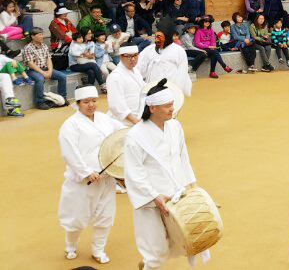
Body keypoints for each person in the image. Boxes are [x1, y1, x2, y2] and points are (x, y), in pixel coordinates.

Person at [124, 80, 206, 269]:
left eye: (172, 105)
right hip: (151, 201)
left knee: (177, 243)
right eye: (168, 105)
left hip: (176, 197)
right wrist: (154, 196)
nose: (172, 109)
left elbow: (183, 158)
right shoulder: (135, 137)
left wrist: (193, 186)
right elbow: (134, 174)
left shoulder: (175, 127)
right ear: (152, 108)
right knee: (155, 252)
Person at [57, 86, 126, 264]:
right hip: (82, 181)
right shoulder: (70, 125)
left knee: (105, 216)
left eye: (94, 101)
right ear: (78, 104)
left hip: (106, 178)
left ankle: (98, 250)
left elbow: (122, 133)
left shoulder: (104, 119)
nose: (91, 105)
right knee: (76, 216)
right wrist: (86, 172)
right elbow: (69, 152)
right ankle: (70, 246)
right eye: (86, 102)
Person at [137, 17, 193, 98]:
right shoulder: (148, 50)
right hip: (151, 88)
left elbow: (182, 73)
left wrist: (176, 91)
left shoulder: (179, 51)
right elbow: (140, 69)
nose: (157, 40)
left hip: (170, 89)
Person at [22, 27, 70, 109]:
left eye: (42, 34)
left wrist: (50, 71)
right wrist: (43, 73)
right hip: (31, 70)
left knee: (62, 76)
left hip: (45, 68)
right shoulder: (28, 48)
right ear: (33, 36)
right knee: (40, 79)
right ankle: (40, 102)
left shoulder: (44, 46)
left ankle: (62, 98)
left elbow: (48, 59)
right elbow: (30, 64)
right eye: (39, 35)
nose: (42, 36)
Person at [106, 45, 146, 126]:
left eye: (135, 55)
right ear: (121, 57)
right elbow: (116, 104)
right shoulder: (115, 76)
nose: (133, 59)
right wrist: (134, 120)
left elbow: (143, 87)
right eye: (128, 56)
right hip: (122, 123)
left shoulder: (135, 70)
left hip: (137, 118)